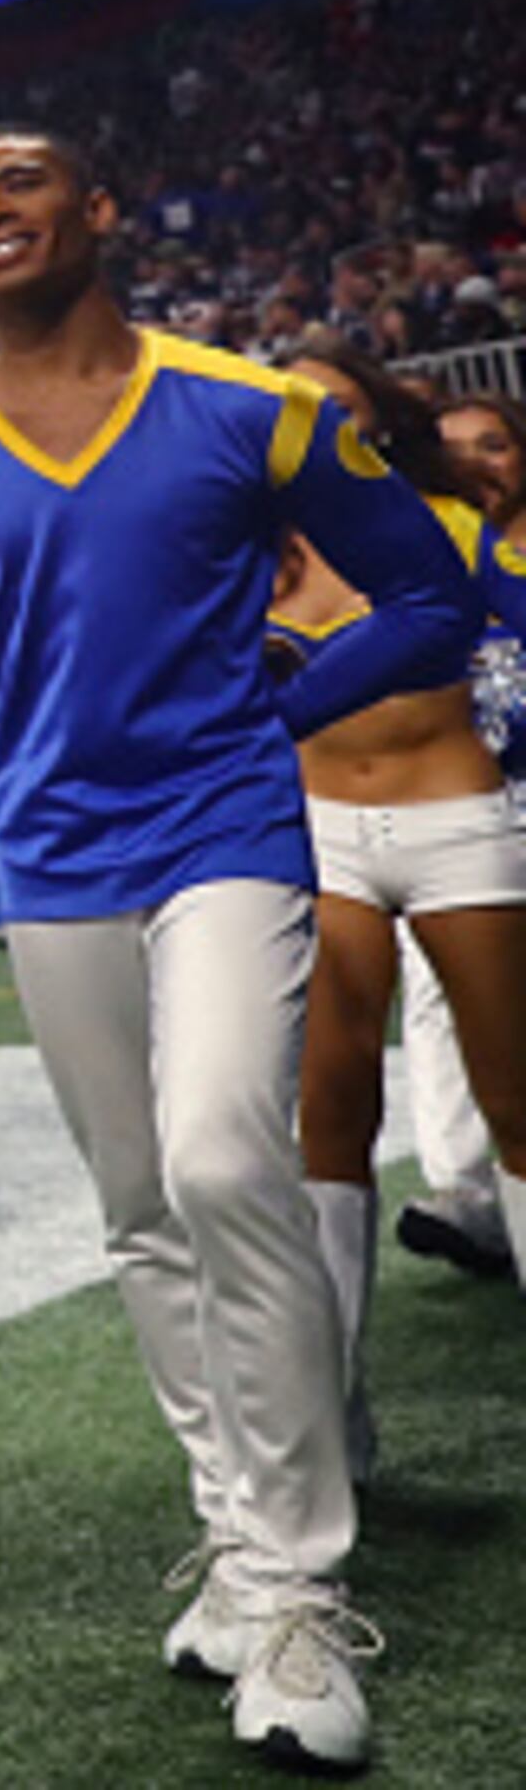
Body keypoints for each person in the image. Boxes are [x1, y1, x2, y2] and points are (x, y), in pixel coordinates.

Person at [0, 127, 480, 1775]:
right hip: (51, 860)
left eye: (17, 183)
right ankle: (234, 1541)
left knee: (222, 1161)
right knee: (139, 1212)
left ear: (103, 209)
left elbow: (434, 601)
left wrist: (273, 706)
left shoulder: (251, 406)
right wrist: (38, 706)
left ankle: (292, 1591)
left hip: (225, 832)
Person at [269, 336, 526, 1472]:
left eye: (337, 408)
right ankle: (334, 1413)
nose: (316, 427)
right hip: (324, 838)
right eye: (292, 412)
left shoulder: (452, 527)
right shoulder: (251, 553)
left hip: (460, 824)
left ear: (376, 419)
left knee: (514, 1095)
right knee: (329, 1110)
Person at [400, 386, 526, 1276]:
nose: (476, 461)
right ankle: (465, 1190)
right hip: (462, 813)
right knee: (435, 987)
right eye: (454, 449)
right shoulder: (426, 573)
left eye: (495, 444)